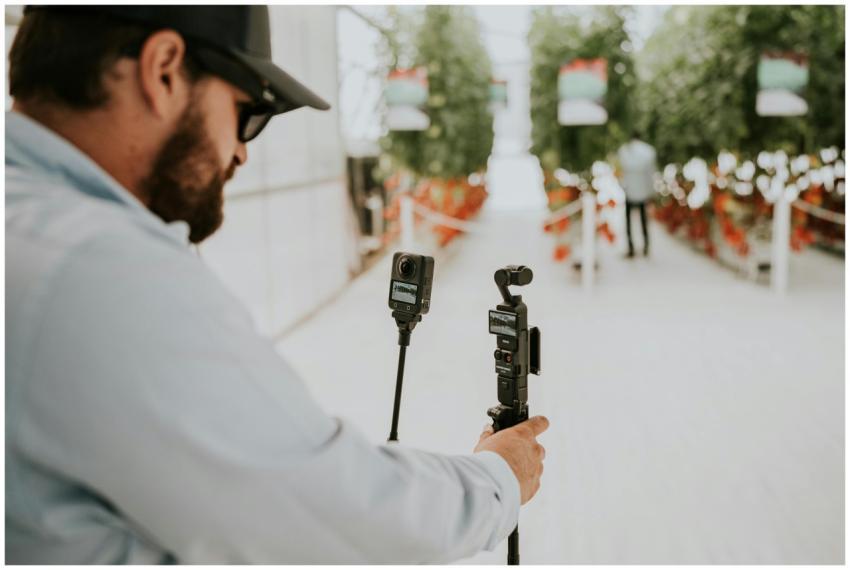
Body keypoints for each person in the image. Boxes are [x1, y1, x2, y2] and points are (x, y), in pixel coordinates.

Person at [5, 6, 548, 564]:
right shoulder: (100, 268)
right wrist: (498, 478)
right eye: (248, 114)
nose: (241, 151)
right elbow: (334, 515)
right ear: (164, 70)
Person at [617, 129, 657, 257]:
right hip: (643, 189)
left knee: (628, 220)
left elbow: (622, 171)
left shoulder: (624, 150)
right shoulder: (649, 151)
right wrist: (651, 190)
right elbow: (651, 173)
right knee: (644, 219)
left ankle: (631, 247)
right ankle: (646, 245)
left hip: (629, 189)